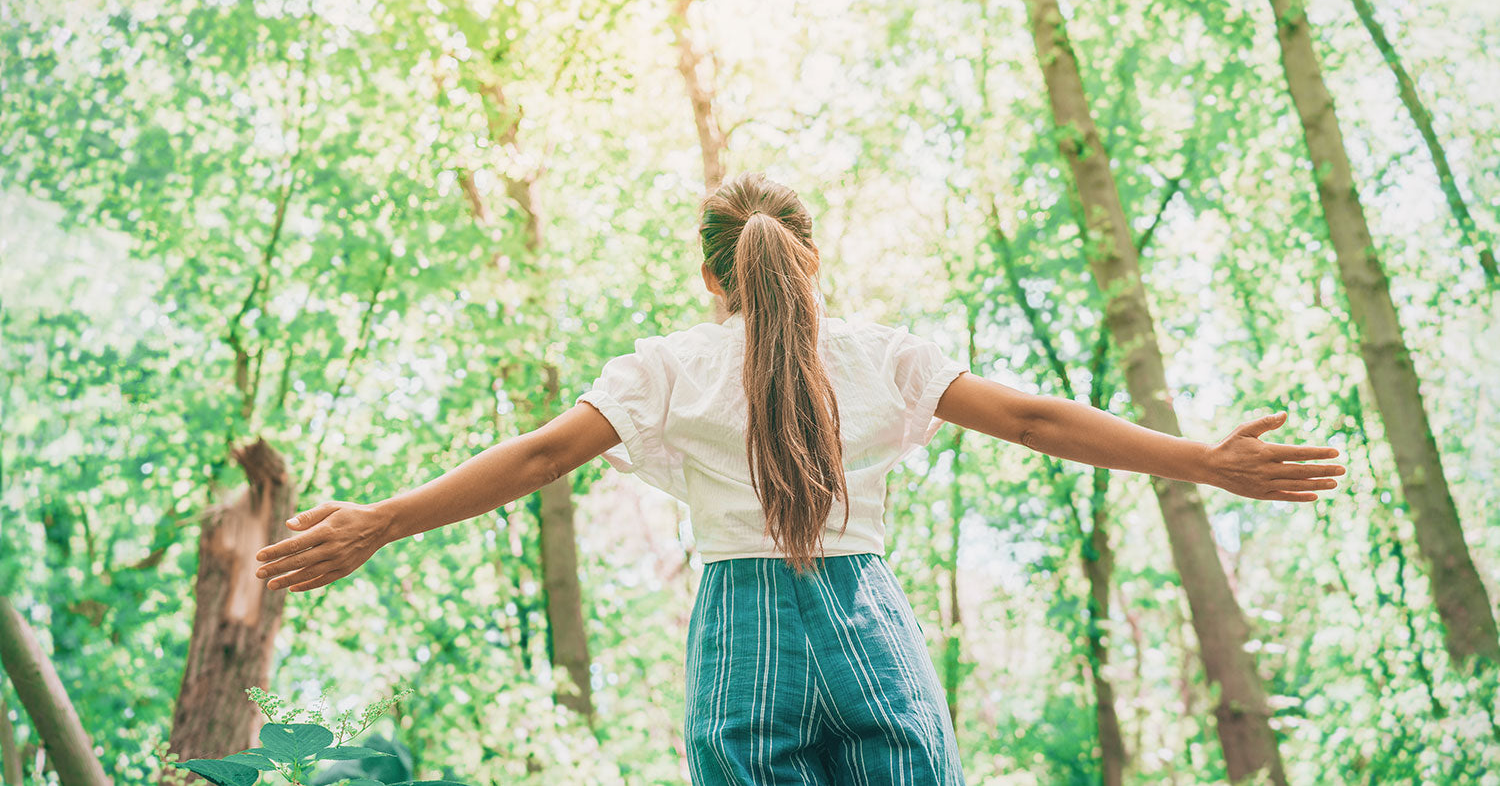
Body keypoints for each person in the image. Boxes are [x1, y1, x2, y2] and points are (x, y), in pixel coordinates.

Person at [254, 171, 1345, 785]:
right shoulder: (883, 354)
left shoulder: (669, 364)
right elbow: (1033, 416)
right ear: (812, 260)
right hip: (871, 622)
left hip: (742, 636)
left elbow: (542, 456)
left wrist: (386, 522)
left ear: (709, 277)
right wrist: (1200, 459)